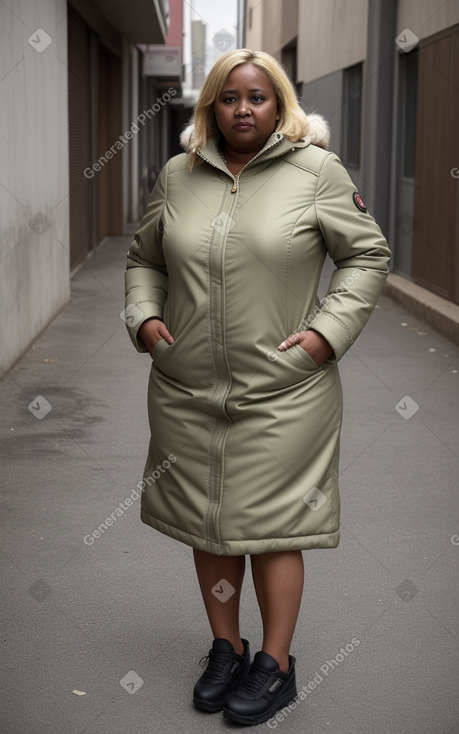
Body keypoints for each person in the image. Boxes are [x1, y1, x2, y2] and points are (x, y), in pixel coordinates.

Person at [124, 48, 390, 726]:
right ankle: (225, 646)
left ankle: (273, 661)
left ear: (279, 106)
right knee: (206, 522)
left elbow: (365, 255)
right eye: (229, 97)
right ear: (210, 106)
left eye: (258, 97)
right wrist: (147, 318)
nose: (243, 108)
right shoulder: (178, 176)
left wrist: (324, 336)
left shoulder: (316, 172)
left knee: (272, 528)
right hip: (186, 390)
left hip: (285, 392)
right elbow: (144, 258)